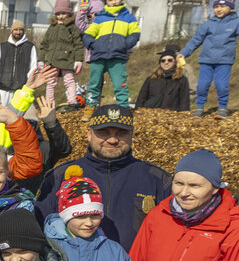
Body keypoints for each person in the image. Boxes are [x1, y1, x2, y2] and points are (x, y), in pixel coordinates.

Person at [36, 105, 172, 250]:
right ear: (89, 134)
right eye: (103, 132)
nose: (112, 140)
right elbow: (39, 228)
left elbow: (170, 235)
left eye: (121, 133)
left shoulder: (156, 179)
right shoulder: (60, 176)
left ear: (131, 135)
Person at [180, 0, 239, 118]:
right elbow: (196, 40)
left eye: (222, 6)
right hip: (206, 60)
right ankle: (199, 108)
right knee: (202, 86)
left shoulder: (237, 23)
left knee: (221, 85)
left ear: (231, 7)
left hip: (224, 61)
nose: (219, 9)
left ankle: (222, 108)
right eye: (216, 6)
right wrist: (183, 53)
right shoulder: (208, 24)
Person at [82, 0, 140, 107]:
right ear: (106, 2)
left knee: (120, 84)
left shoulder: (129, 18)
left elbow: (135, 34)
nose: (114, 2)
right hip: (98, 56)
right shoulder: (100, 18)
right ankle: (90, 107)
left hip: (118, 57)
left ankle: (123, 108)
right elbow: (88, 35)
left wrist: (124, 45)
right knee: (94, 84)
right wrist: (94, 45)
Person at [41, 0, 85, 106]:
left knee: (69, 81)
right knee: (50, 82)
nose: (60, 16)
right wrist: (41, 59)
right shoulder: (52, 27)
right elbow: (45, 44)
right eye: (58, 13)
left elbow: (78, 44)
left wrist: (78, 60)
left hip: (67, 59)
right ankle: (49, 103)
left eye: (63, 13)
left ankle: (72, 101)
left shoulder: (72, 27)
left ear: (69, 13)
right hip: (52, 60)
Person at [135, 45, 192, 111]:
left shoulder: (181, 80)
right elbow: (141, 99)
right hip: (150, 116)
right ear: (160, 62)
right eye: (163, 60)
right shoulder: (151, 79)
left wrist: (183, 117)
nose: (166, 62)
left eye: (169, 60)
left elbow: (184, 102)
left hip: (172, 117)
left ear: (175, 62)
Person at [0, 21, 37, 102]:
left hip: (21, 88)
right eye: (16, 29)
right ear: (12, 30)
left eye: (20, 30)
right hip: (3, 87)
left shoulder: (30, 47)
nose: (18, 32)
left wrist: (28, 80)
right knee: (2, 111)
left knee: (18, 113)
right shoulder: (2, 46)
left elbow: (33, 65)